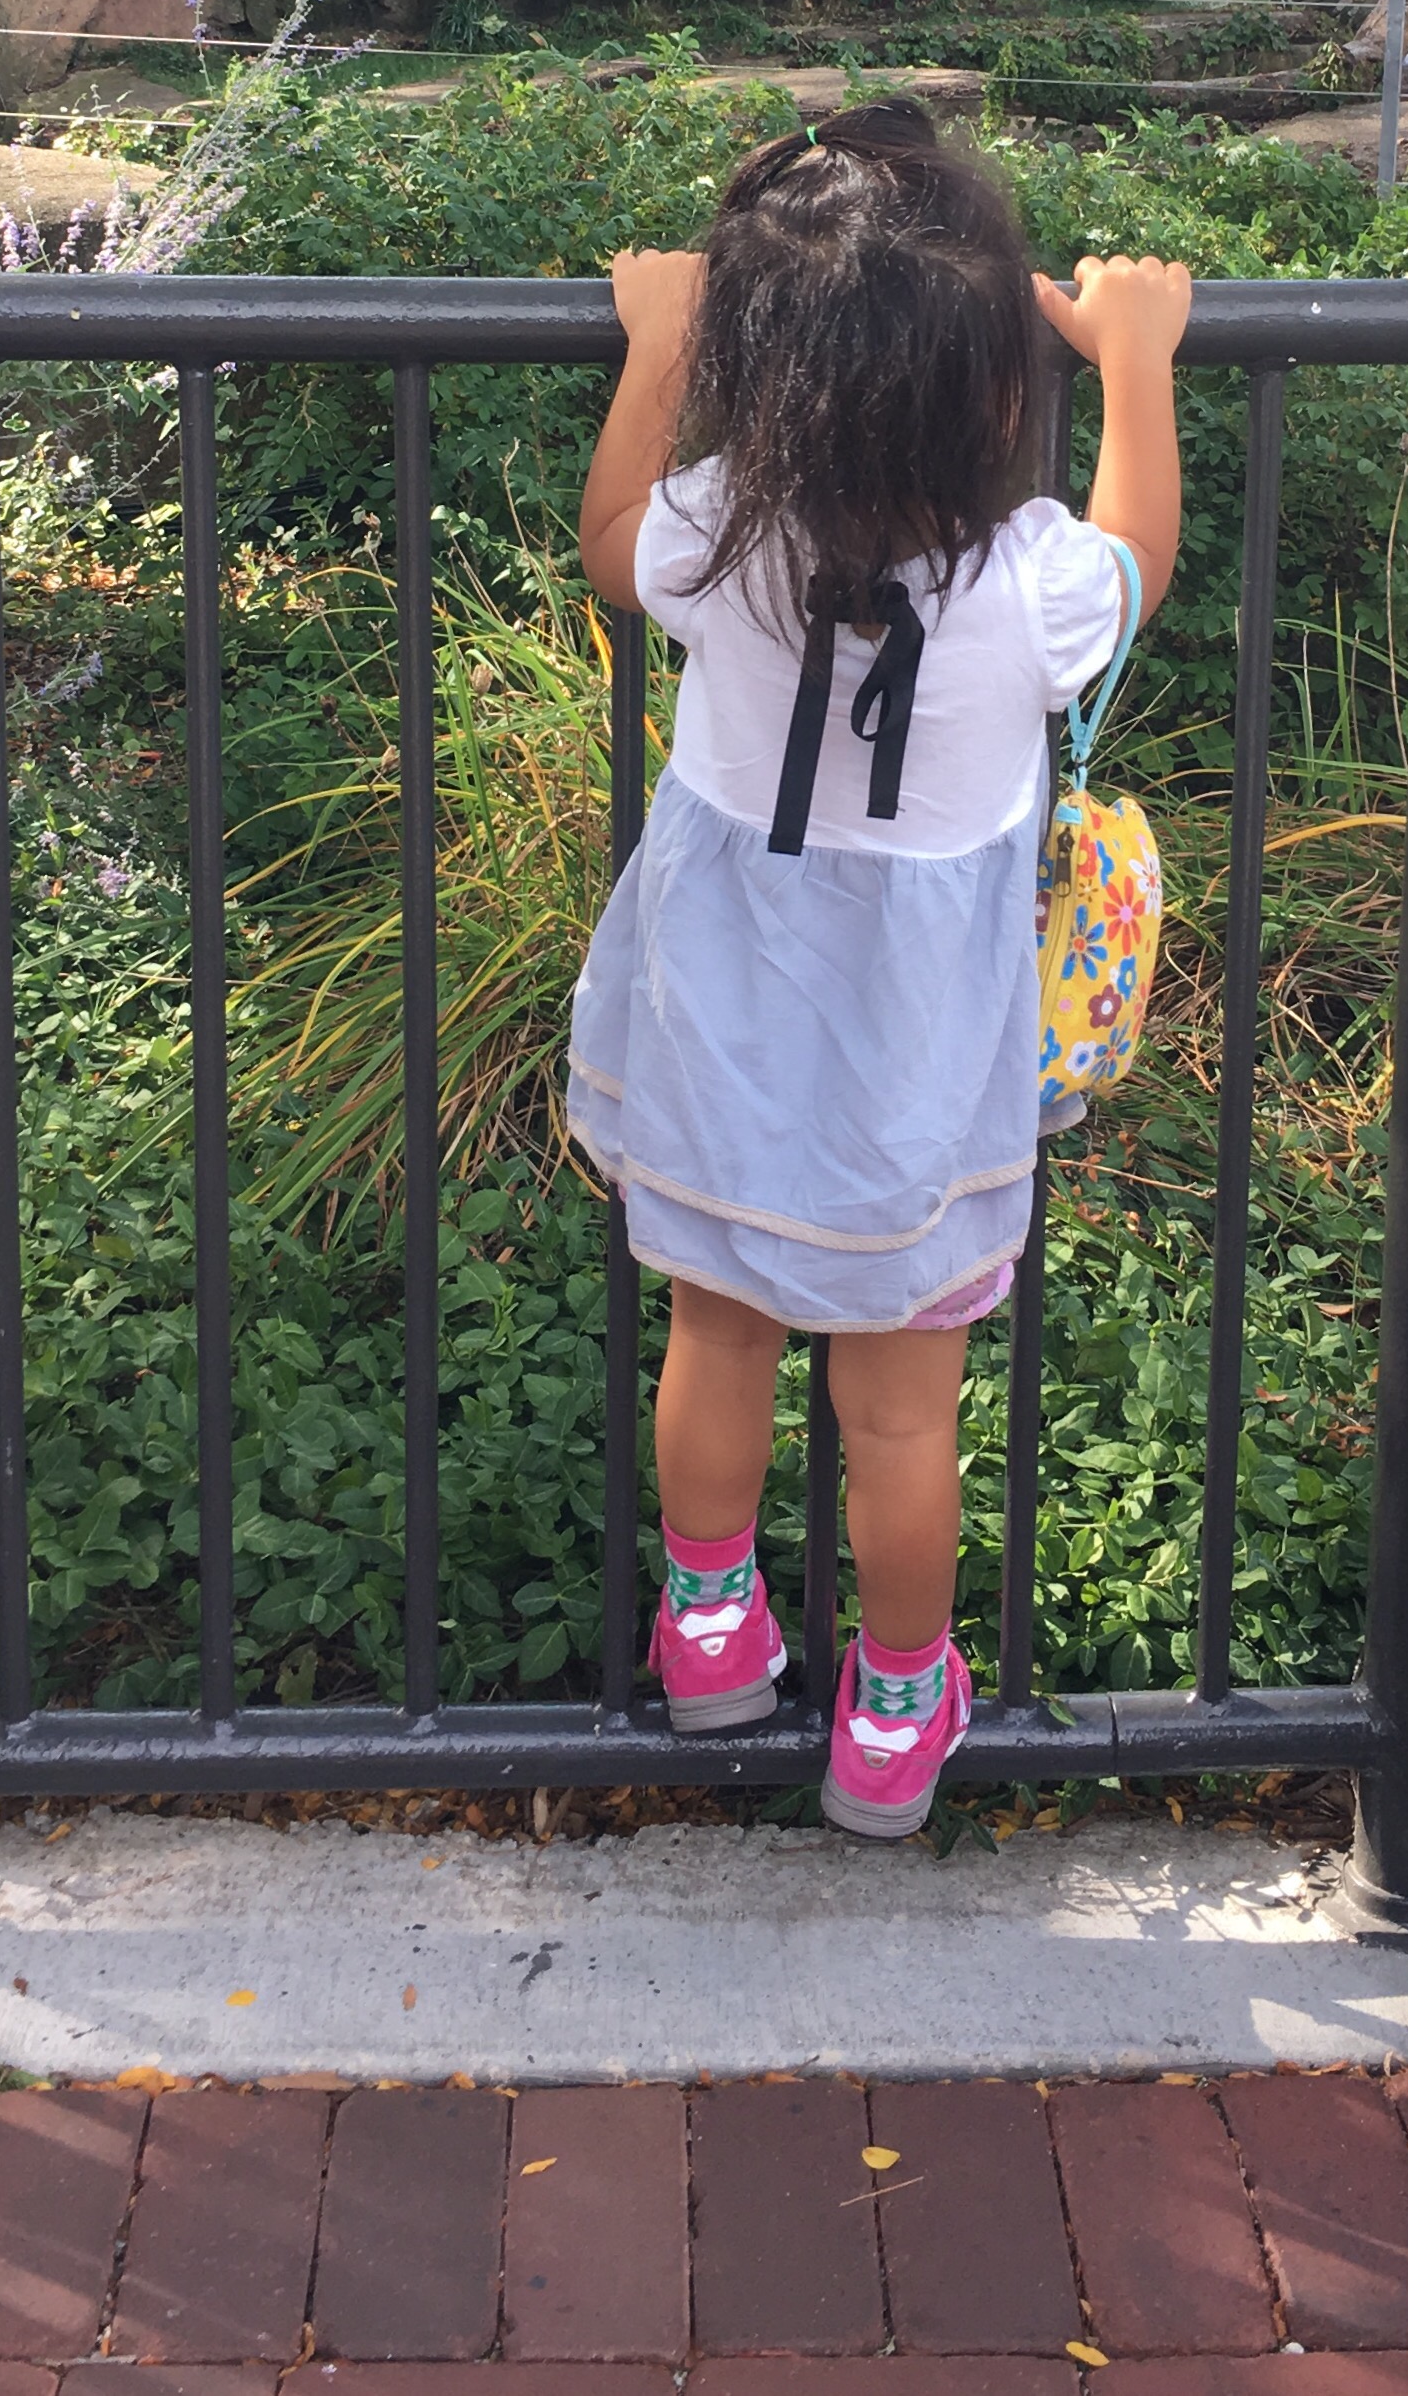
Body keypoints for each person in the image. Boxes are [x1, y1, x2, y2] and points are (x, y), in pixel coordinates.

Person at [568, 100, 1191, 1835]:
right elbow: (1140, 558)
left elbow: (610, 534)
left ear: (757, 377)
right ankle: (895, 1718)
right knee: (903, 1417)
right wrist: (1136, 361)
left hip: (722, 1026)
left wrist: (653, 344)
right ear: (996, 388)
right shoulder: (1028, 584)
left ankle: (708, 1640)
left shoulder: (721, 536)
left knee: (715, 1332)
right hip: (915, 1075)